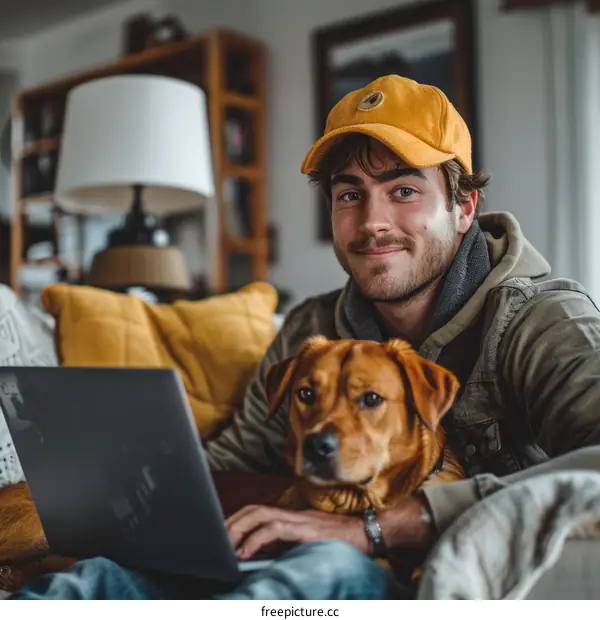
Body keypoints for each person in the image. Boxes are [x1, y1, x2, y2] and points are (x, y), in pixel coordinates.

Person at [11, 74, 600, 600]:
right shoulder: (310, 330)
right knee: (95, 582)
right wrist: (128, 497)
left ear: (464, 205)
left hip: (443, 567)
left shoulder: (542, 321)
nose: (371, 221)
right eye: (350, 195)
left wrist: (373, 527)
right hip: (295, 547)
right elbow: (236, 458)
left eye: (403, 190)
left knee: (318, 569)